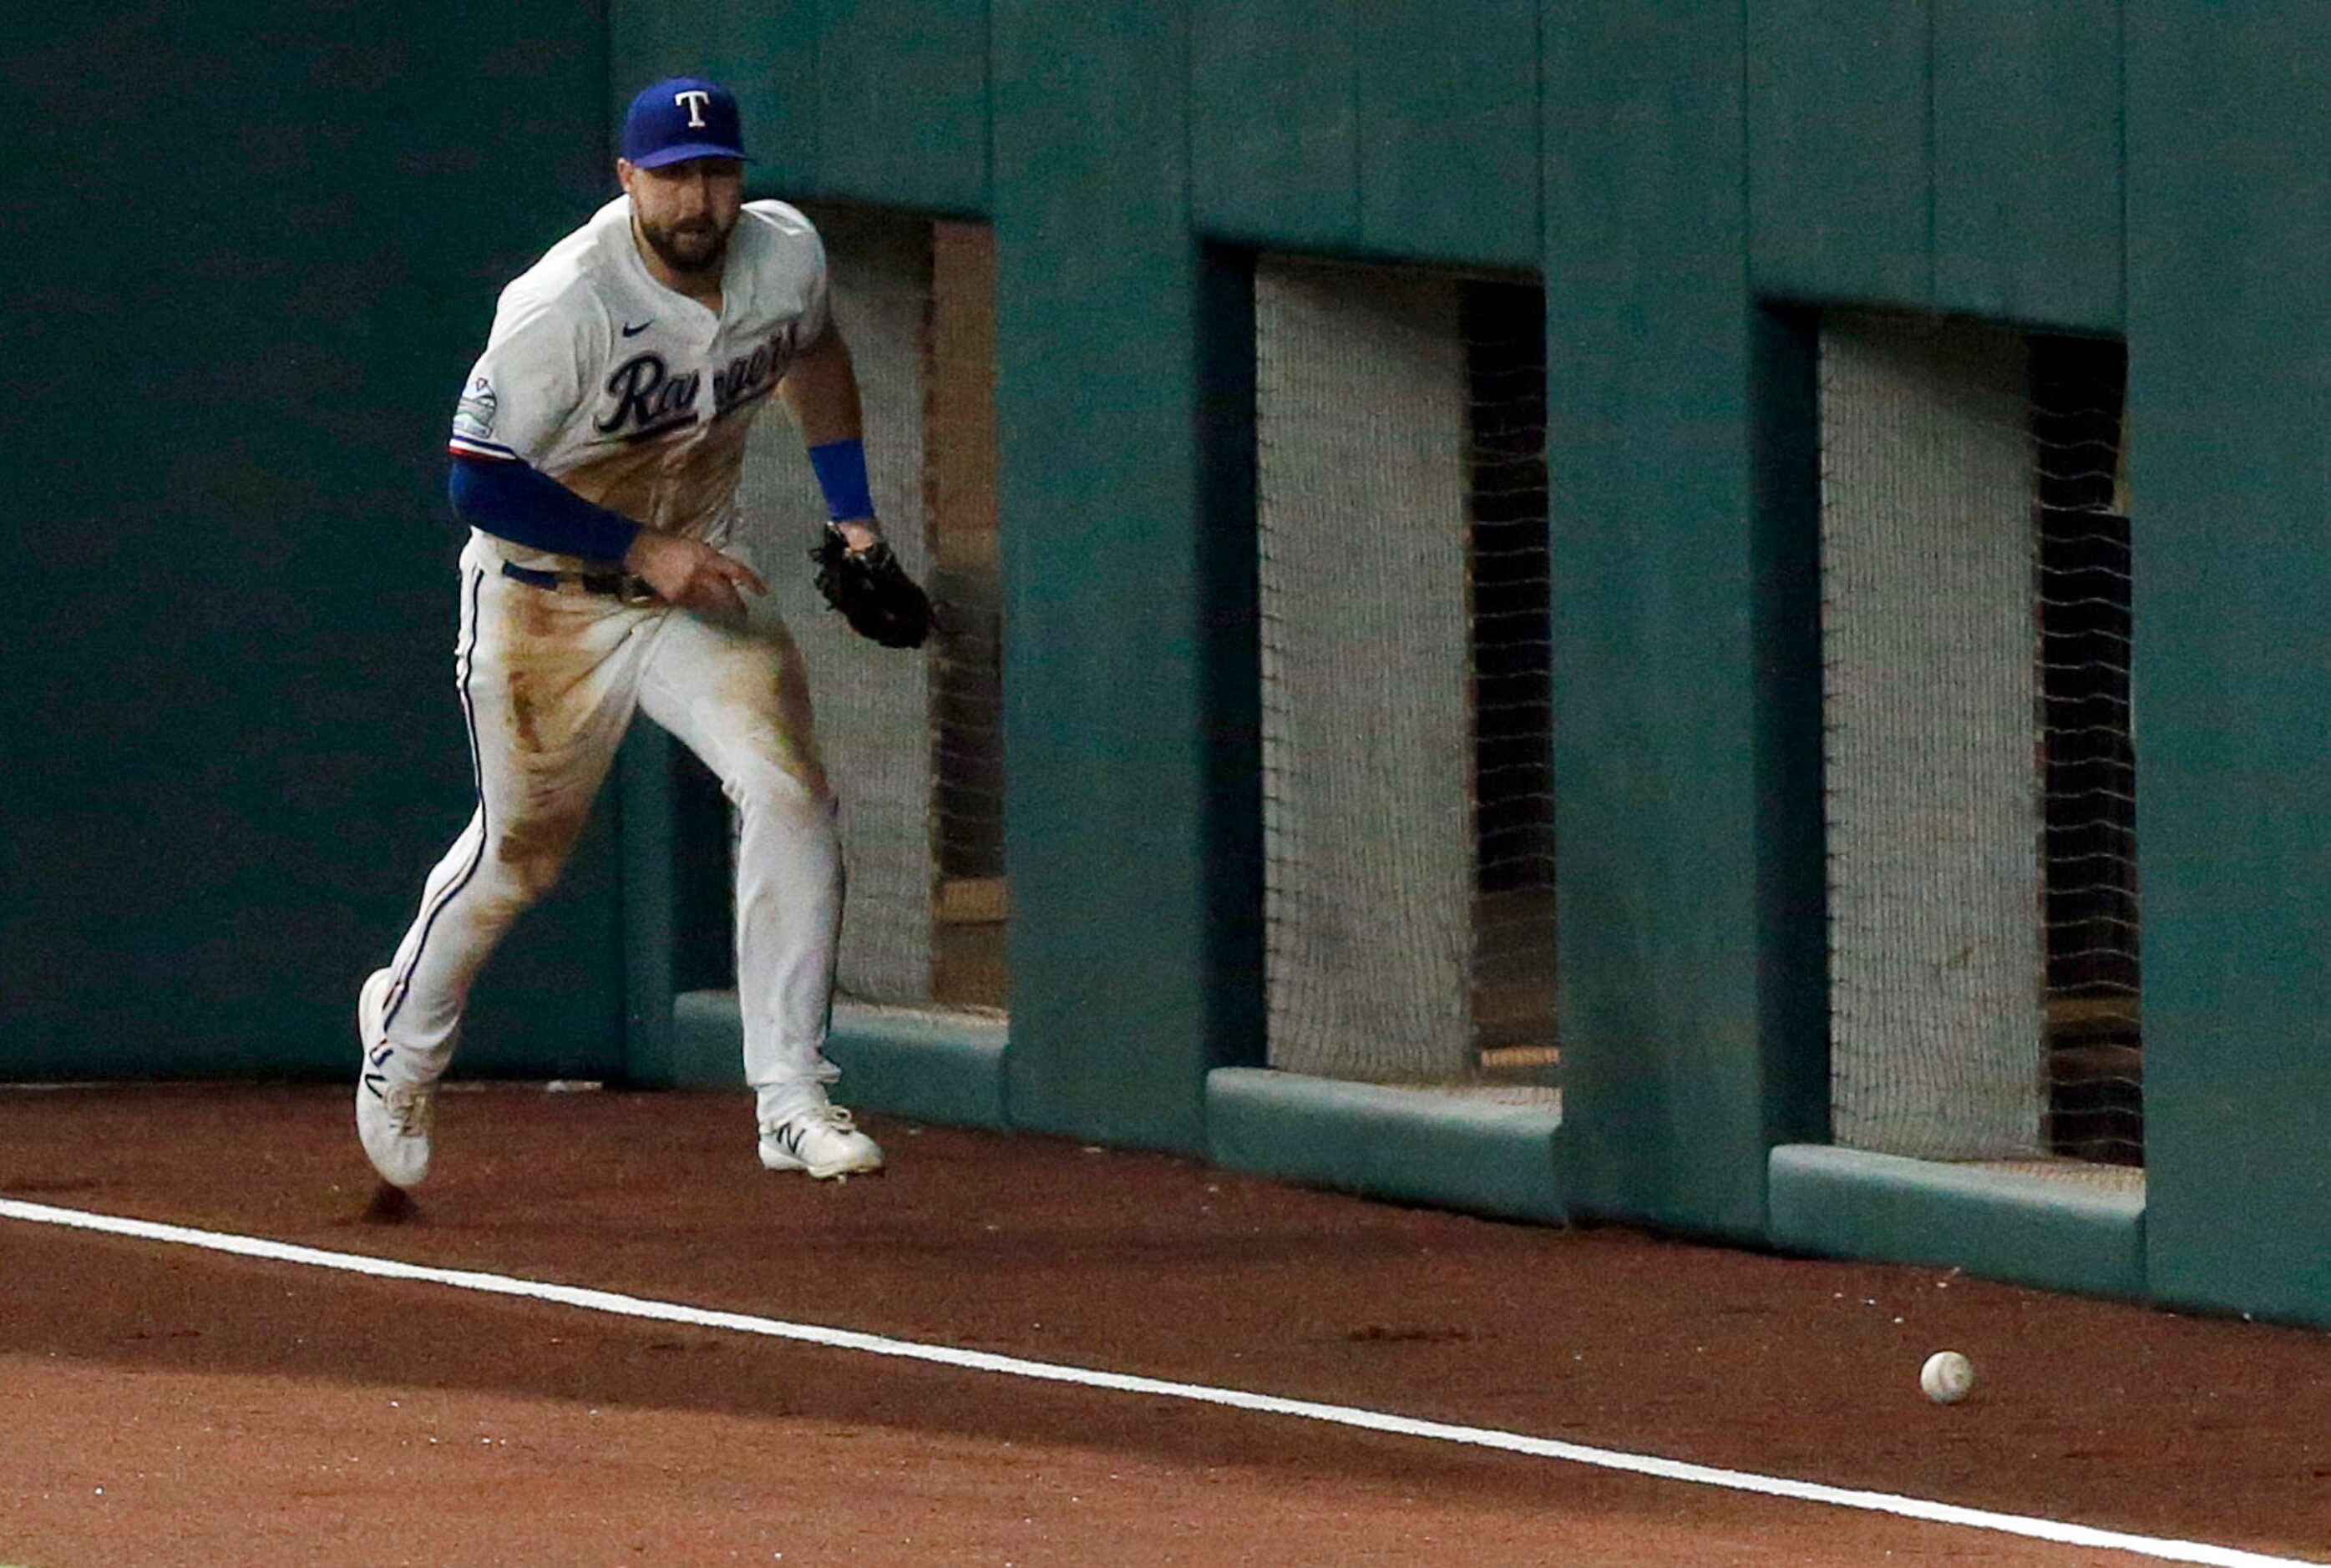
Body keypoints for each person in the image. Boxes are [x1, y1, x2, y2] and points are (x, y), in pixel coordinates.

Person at [357, 76, 921, 1190]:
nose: (697, 198)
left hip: (691, 586)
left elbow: (815, 355)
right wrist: (642, 548)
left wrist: (853, 519)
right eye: (672, 177)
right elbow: (478, 479)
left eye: (716, 173)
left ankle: (792, 1095)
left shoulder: (784, 257)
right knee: (519, 859)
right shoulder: (563, 302)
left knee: (791, 789)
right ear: (627, 181)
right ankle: (402, 1045)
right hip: (544, 600)